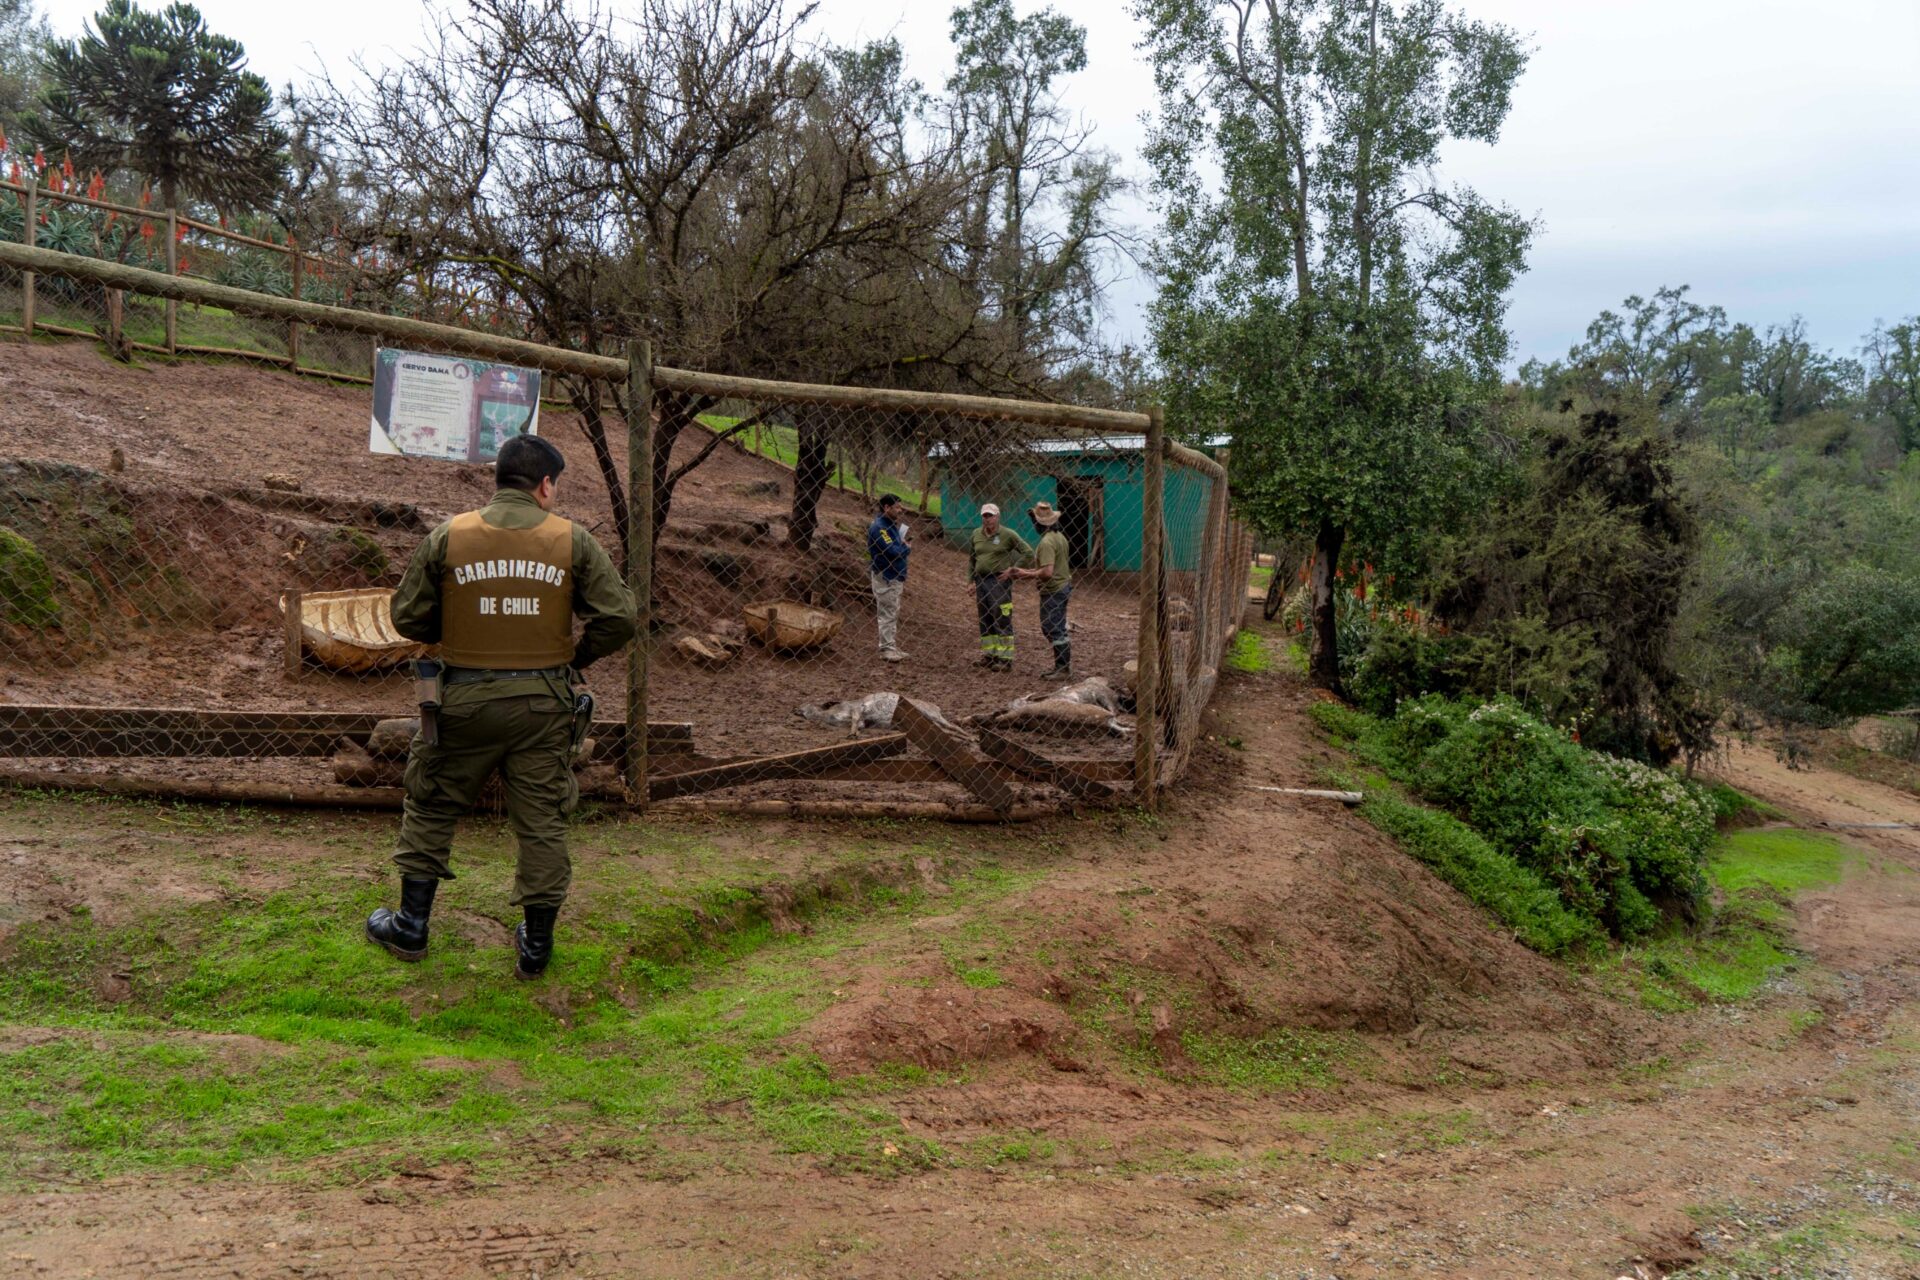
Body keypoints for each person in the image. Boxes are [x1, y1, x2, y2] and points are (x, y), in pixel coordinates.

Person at [365, 435, 636, 980]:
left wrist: (463, 625)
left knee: (433, 802)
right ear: (544, 485)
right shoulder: (573, 541)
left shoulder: (450, 535)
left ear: (499, 481)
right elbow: (621, 618)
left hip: (462, 698)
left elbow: (406, 617)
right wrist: (576, 655)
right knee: (542, 821)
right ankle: (536, 948)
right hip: (543, 704)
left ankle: (411, 927)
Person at [968, 502, 1031, 672]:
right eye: (985, 515)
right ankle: (990, 655)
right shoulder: (976, 534)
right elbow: (972, 559)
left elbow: (1028, 552)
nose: (987, 519)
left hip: (999, 582)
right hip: (981, 581)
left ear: (998, 517)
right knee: (985, 619)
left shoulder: (1008, 534)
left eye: (991, 515)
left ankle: (1005, 658)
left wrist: (1013, 570)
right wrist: (971, 580)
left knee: (1001, 617)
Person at [1016, 500, 1074, 678]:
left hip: (1054, 589)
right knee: (1058, 626)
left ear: (1038, 523)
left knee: (1051, 627)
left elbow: (1047, 572)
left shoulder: (1047, 542)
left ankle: (1062, 668)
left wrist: (1024, 573)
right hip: (1063, 585)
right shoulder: (1060, 537)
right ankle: (1062, 666)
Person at [866, 493, 911, 662]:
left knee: (892, 611)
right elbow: (892, 551)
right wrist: (906, 548)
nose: (900, 510)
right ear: (886, 507)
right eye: (897, 507)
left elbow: (895, 546)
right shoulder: (880, 528)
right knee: (887, 612)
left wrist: (902, 546)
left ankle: (890, 645)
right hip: (886, 575)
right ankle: (886, 648)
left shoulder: (890, 525)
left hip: (894, 575)